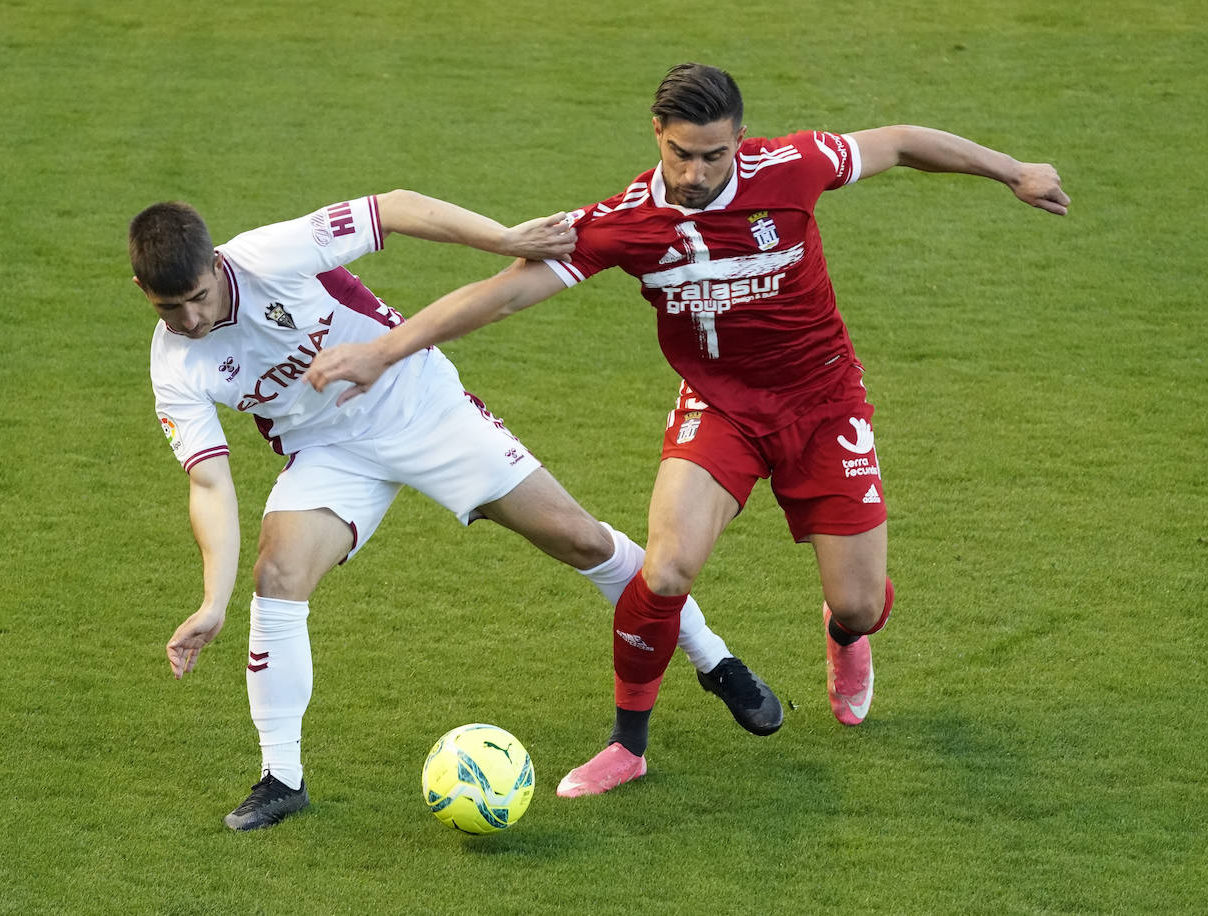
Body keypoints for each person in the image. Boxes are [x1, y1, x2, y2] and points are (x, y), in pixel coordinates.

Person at [302, 63, 1071, 798]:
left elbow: (899, 141)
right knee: (665, 569)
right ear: (655, 135)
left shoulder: (795, 167)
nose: (698, 173)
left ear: (740, 139)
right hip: (720, 407)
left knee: (862, 603)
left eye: (714, 155)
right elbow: (501, 297)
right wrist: (381, 350)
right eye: (681, 154)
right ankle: (626, 746)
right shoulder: (625, 223)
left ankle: (846, 633)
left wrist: (1013, 169)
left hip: (824, 403)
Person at [128, 188, 783, 830]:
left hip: (418, 404)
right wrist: (213, 601)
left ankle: (714, 659)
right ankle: (282, 779)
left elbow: (394, 208)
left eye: (198, 299)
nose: (190, 320)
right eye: (169, 308)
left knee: (579, 540)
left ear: (217, 266)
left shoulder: (270, 255)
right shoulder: (174, 364)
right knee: (277, 578)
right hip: (329, 451)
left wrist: (505, 239)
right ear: (143, 292)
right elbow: (210, 484)